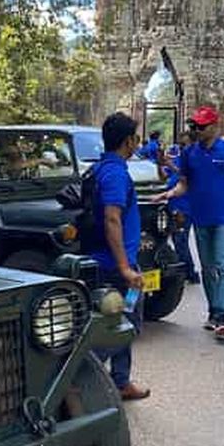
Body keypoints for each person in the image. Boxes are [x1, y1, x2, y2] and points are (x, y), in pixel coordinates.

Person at [154, 106, 224, 340]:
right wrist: (167, 195)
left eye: (201, 126)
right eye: (194, 126)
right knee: (208, 267)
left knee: (222, 264)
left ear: (214, 126)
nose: (196, 130)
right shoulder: (190, 153)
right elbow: (184, 184)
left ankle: (222, 315)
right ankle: (213, 311)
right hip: (200, 217)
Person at [90, 112, 150, 401]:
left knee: (121, 323)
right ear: (128, 141)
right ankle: (80, 377)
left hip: (114, 262)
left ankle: (121, 381)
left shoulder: (104, 167)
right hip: (116, 267)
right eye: (136, 138)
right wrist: (126, 268)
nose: (138, 142)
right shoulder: (114, 173)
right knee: (125, 326)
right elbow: (112, 219)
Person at [164, 130, 200, 284]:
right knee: (177, 240)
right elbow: (164, 176)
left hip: (184, 206)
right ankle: (185, 271)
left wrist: (171, 165)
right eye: (180, 145)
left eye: (184, 145)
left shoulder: (195, 160)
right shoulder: (180, 158)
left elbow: (189, 177)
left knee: (180, 240)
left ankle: (189, 272)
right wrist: (163, 164)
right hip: (173, 204)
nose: (182, 148)